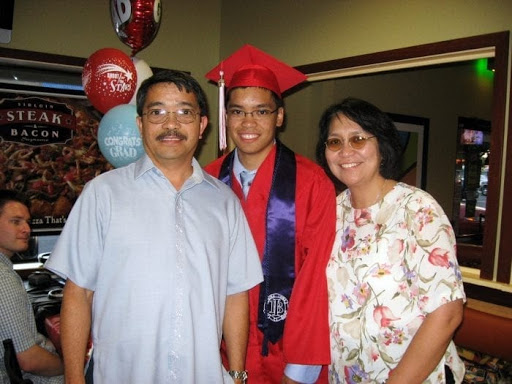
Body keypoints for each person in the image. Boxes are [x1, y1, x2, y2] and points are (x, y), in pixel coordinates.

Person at [45, 70, 263, 384]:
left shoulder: (225, 202)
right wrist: (74, 378)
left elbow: (235, 295)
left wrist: (238, 373)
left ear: (202, 125)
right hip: (121, 375)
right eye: (157, 112)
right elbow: (79, 294)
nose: (171, 124)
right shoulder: (102, 194)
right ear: (140, 123)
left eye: (184, 113)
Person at [205, 44, 336, 384]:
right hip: (216, 355)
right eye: (237, 111)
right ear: (226, 116)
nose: (248, 122)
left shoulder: (311, 183)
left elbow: (315, 281)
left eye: (261, 111)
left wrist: (300, 370)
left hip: (287, 358)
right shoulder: (204, 181)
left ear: (279, 116)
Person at [316, 97, 466, 383]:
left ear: (381, 147)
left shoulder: (417, 209)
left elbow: (446, 313)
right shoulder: (330, 213)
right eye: (334, 142)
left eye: (358, 139)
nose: (346, 151)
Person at [0, 189, 64, 384]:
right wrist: (73, 368)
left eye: (27, 222)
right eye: (16, 221)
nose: (27, 229)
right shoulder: (3, 279)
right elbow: (28, 360)